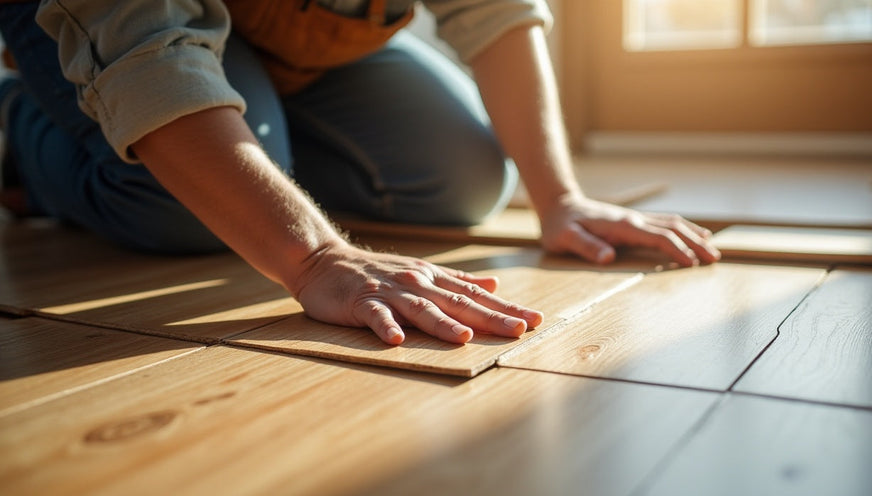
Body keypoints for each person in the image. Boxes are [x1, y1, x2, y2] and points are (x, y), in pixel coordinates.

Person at [0, 0, 720, 345]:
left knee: (462, 182)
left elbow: (495, 10)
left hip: (296, 37)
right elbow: (149, 54)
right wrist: (315, 257)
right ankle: (19, 129)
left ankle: (255, 133)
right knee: (186, 211)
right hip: (119, 27)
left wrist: (560, 198)